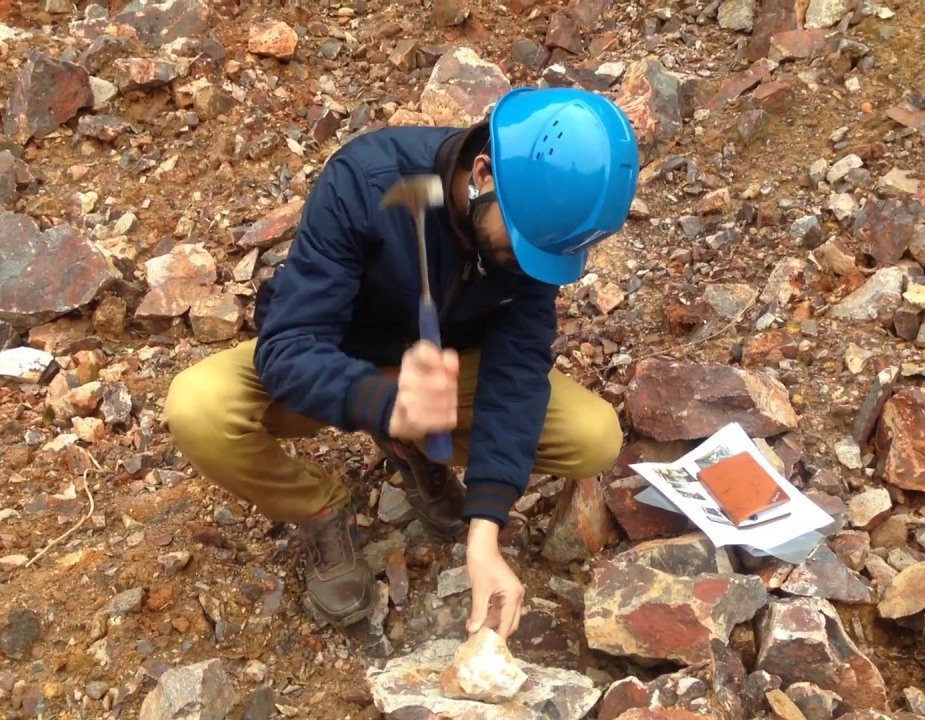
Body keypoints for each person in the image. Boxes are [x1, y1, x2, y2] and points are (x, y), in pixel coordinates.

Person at [164, 86, 641, 638]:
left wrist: (484, 531)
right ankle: (319, 508)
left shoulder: (537, 238)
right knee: (198, 407)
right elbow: (289, 346)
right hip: (339, 362)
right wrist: (385, 404)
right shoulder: (364, 182)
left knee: (594, 436)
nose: (526, 265)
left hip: (449, 375)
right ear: (483, 174)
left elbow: (515, 375)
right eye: (518, 247)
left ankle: (414, 448)